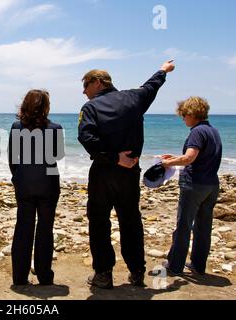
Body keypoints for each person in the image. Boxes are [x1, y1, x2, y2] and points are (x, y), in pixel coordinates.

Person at [78, 60, 175, 289]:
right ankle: (137, 272)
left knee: (100, 222)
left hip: (104, 172)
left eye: (86, 85)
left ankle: (103, 274)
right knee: (130, 221)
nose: (84, 91)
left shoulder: (90, 108)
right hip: (130, 172)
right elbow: (152, 85)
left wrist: (113, 157)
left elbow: (86, 138)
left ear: (98, 82)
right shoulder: (134, 98)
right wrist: (162, 70)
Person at [8, 89, 65, 286]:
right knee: (45, 229)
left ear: (26, 105)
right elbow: (57, 157)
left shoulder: (17, 127)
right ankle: (44, 275)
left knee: (23, 228)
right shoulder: (55, 128)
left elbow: (12, 159)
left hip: (24, 182)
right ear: (45, 107)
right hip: (48, 182)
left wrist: (18, 177)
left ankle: (20, 277)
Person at [161, 97, 222, 275]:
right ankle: (198, 265)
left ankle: (175, 265)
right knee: (203, 226)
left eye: (183, 115)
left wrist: (167, 164)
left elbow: (189, 158)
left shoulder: (197, 132)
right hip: (211, 184)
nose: (182, 119)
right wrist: (173, 158)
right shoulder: (213, 131)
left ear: (191, 114)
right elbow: (201, 156)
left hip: (195, 184)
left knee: (184, 225)